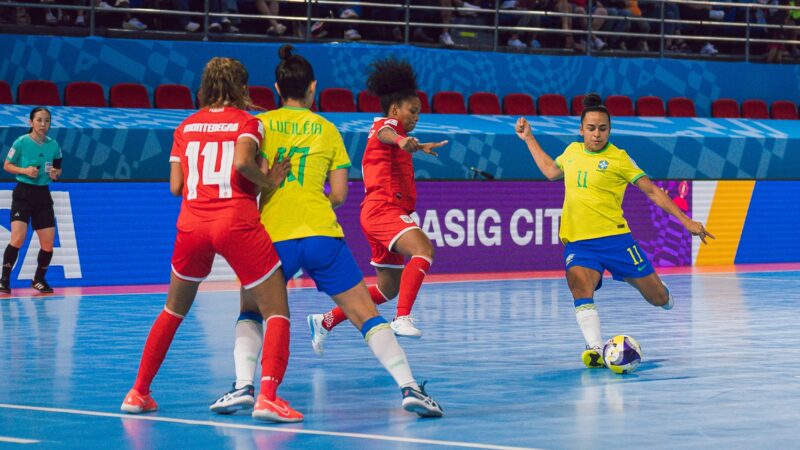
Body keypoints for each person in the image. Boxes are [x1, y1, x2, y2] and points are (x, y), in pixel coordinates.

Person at [209, 45, 443, 419]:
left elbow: (244, 170)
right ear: (313, 88)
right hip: (321, 234)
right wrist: (315, 201)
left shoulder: (261, 126)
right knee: (366, 314)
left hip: (271, 237)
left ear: (276, 87)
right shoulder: (328, 129)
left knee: (251, 311)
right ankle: (410, 388)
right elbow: (337, 194)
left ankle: (242, 388)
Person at [120, 57, 301, 423]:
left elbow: (175, 187)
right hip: (236, 220)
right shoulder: (248, 122)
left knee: (173, 310)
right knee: (277, 310)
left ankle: (138, 392)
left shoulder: (185, 126)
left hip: (192, 224)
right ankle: (267, 396)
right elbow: (241, 163)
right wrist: (269, 182)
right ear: (242, 87)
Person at [513, 94, 714, 368]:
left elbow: (653, 191)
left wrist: (687, 222)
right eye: (592, 128)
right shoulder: (571, 152)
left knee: (657, 299)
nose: (597, 134)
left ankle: (663, 293)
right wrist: (529, 139)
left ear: (610, 130)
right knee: (578, 284)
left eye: (603, 129)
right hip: (580, 243)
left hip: (617, 241)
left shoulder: (619, 158)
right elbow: (550, 171)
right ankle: (594, 348)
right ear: (581, 129)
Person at [309, 58, 447, 344]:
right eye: (413, 110)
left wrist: (418, 146)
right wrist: (401, 141)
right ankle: (402, 318)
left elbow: (397, 142)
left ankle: (326, 320)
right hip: (382, 209)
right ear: (395, 109)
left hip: (380, 212)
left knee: (387, 289)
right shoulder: (385, 126)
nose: (417, 116)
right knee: (423, 249)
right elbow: (387, 135)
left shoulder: (403, 136)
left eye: (419, 112)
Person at [1, 107, 63, 295]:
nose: (43, 124)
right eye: (39, 120)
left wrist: (55, 174)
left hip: (43, 195)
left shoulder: (54, 146)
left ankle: (38, 279)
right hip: (23, 194)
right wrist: (25, 171)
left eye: (47, 121)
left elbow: (58, 169)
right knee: (18, 238)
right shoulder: (21, 142)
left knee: (48, 244)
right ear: (31, 122)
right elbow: (7, 165)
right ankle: (4, 280)